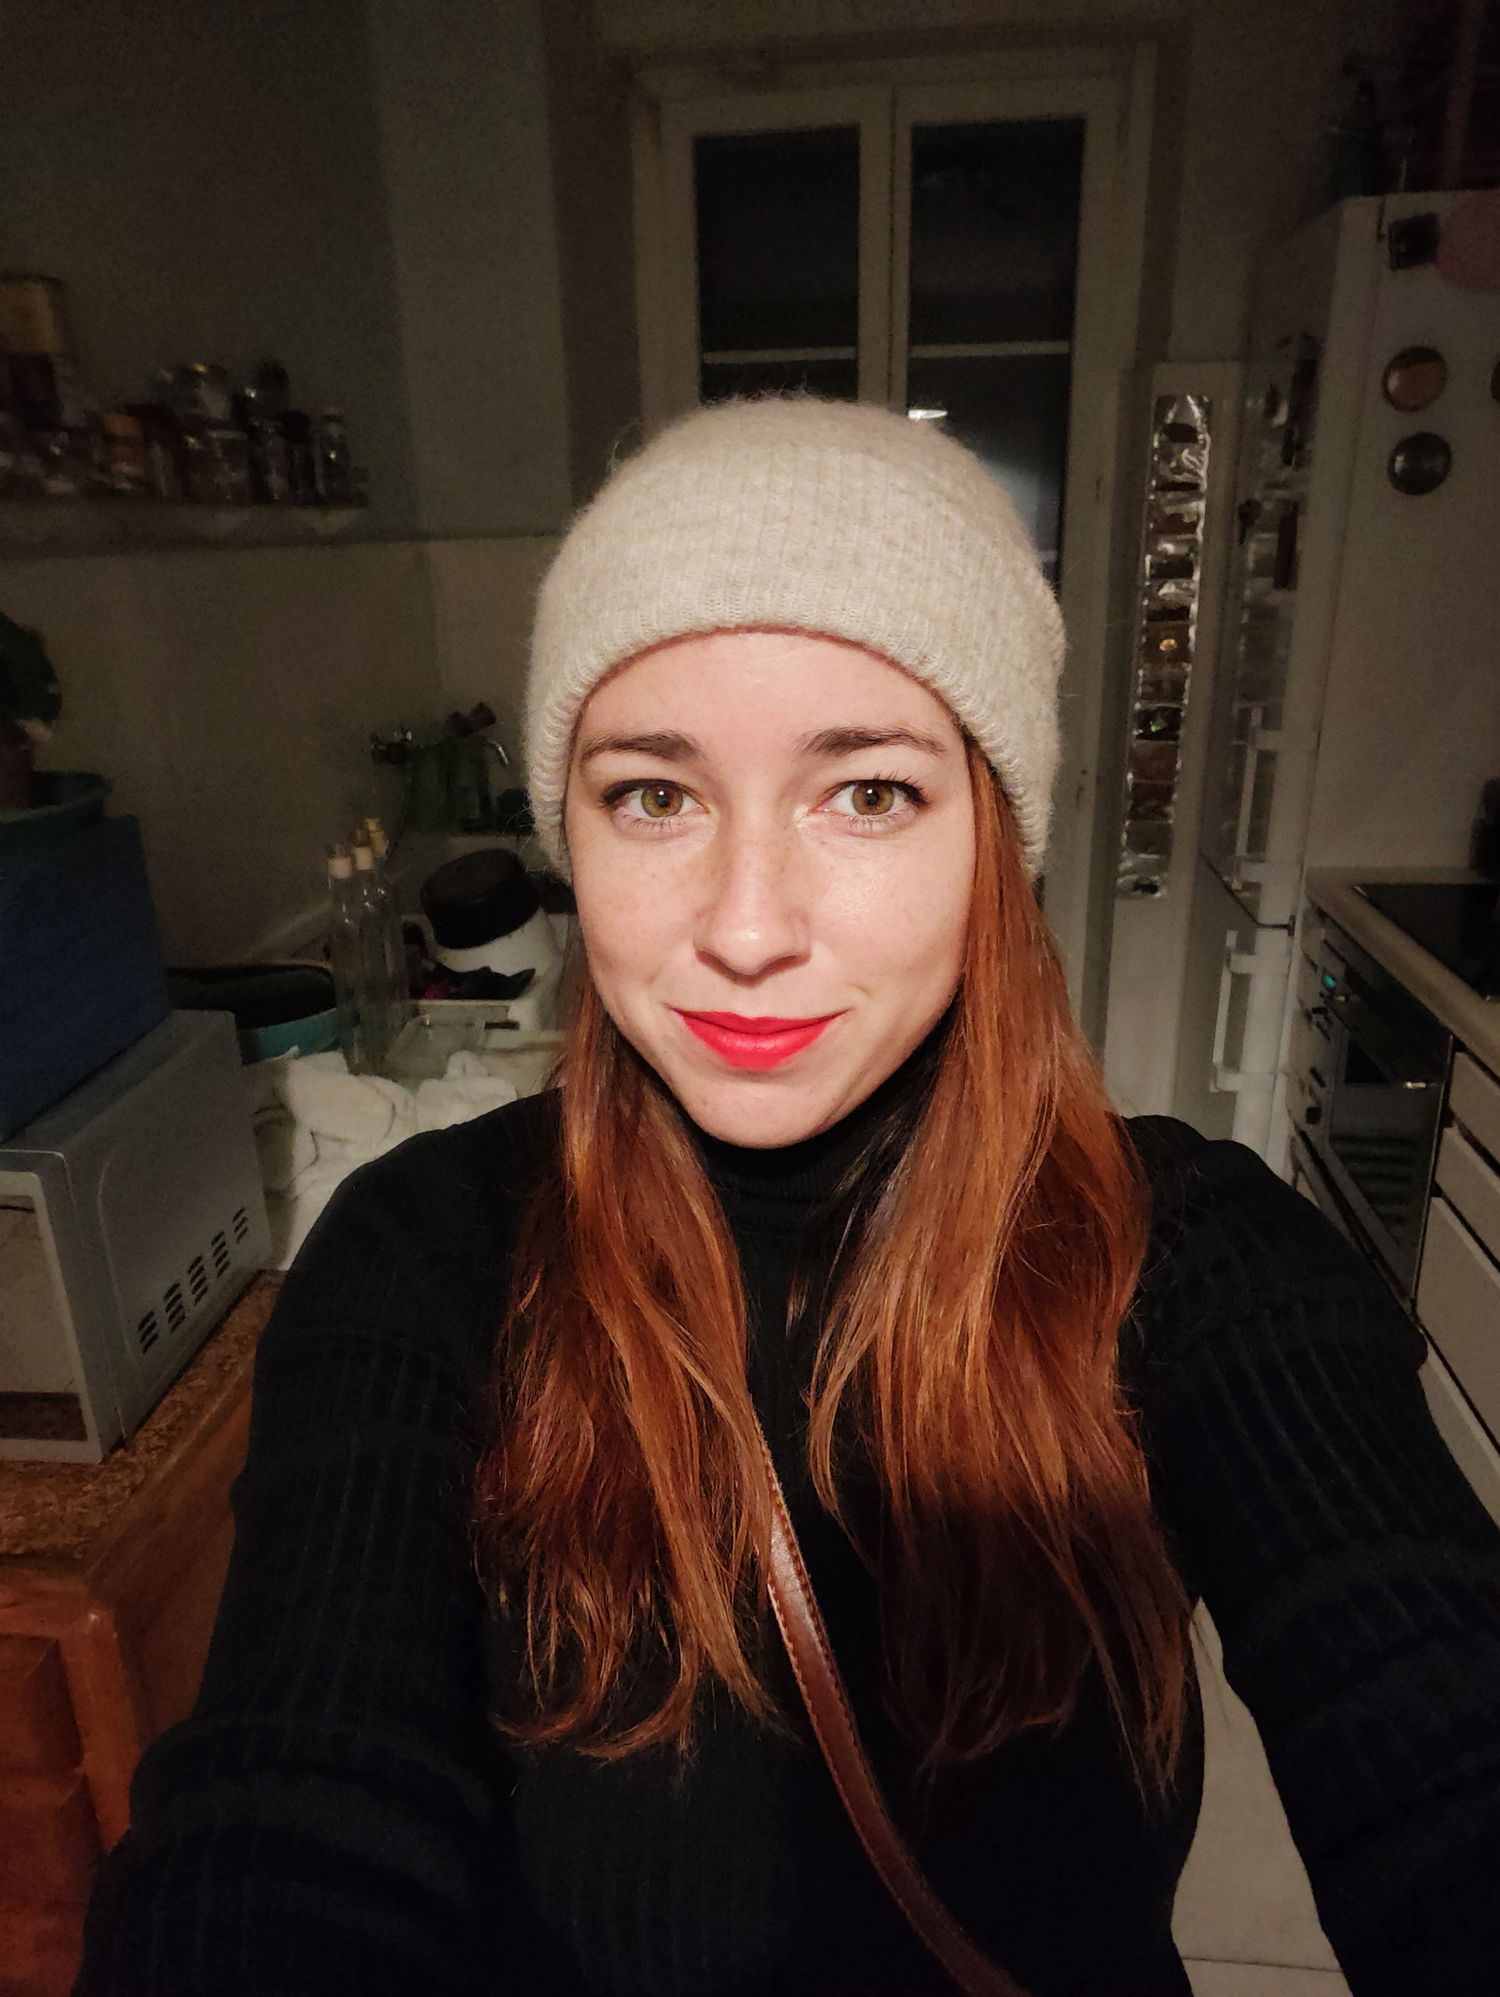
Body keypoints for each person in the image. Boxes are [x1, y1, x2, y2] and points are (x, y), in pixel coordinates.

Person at [73, 397, 1500, 1997]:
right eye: (654, 795)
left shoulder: (1187, 1259)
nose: (747, 928)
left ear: (995, 837)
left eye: (868, 792)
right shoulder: (428, 1258)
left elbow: (1434, 1726)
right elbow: (287, 1809)